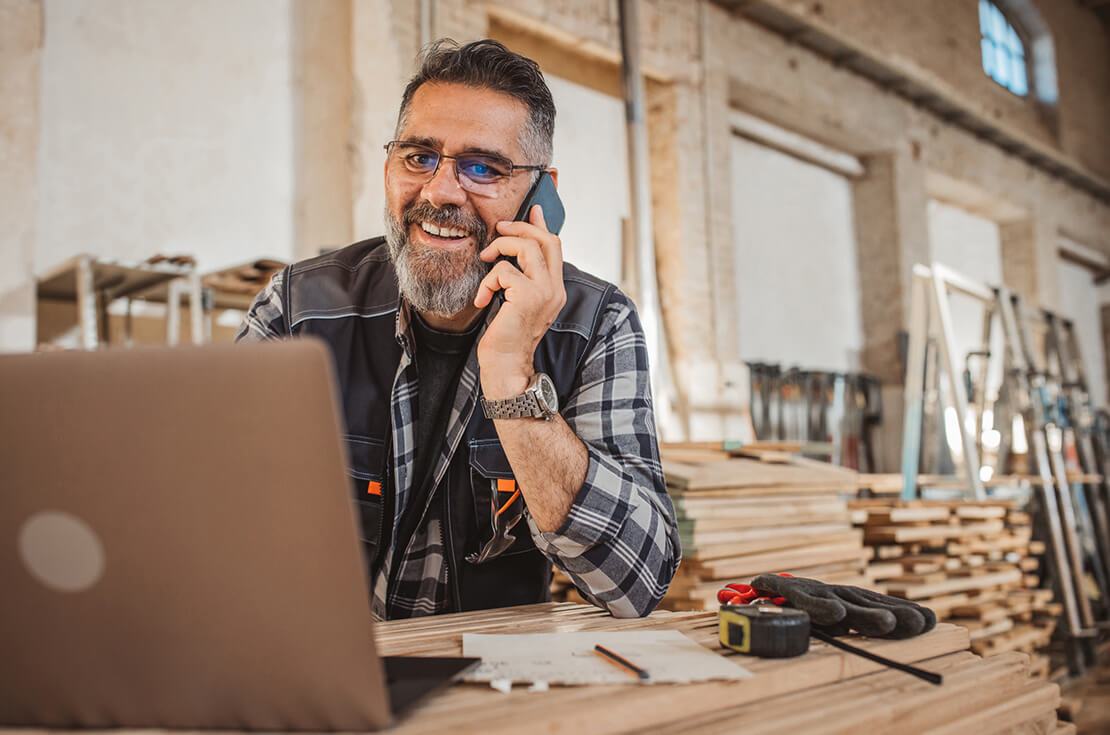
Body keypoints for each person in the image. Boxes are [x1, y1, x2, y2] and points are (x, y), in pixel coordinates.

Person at [237, 38, 680, 619]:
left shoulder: (596, 324)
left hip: (491, 693)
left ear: (541, 195)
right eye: (418, 156)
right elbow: (214, 524)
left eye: (482, 168)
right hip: (320, 676)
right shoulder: (297, 310)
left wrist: (512, 378)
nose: (440, 192)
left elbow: (637, 580)